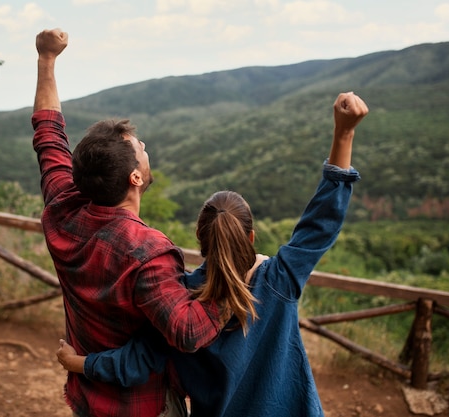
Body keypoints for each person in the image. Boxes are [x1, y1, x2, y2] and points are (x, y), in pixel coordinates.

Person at [56, 92, 369, 417]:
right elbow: (320, 224)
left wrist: (81, 363)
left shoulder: (181, 300)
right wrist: (344, 133)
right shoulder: (277, 281)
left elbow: (138, 360)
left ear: (199, 239)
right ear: (249, 237)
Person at [32, 29, 223, 417]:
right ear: (135, 178)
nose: (145, 148)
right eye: (141, 150)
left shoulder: (62, 206)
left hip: (86, 393)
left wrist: (46, 59)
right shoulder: (148, 252)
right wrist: (234, 284)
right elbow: (187, 332)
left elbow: (47, 132)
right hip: (141, 405)